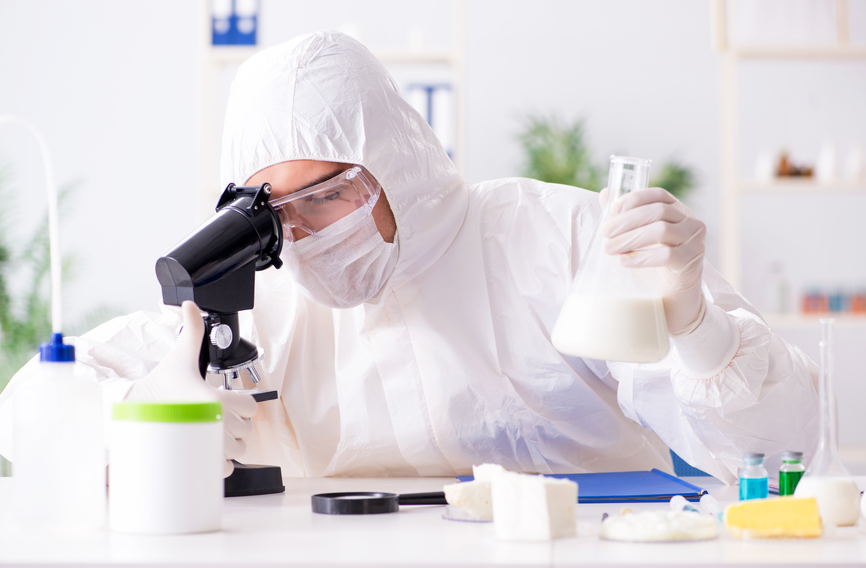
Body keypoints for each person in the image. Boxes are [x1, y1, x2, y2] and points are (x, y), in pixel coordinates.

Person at [0, 31, 818, 482]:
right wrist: (154, 412)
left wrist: (696, 325)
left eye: (327, 195)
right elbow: (30, 409)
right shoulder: (265, 306)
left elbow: (781, 451)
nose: (302, 232)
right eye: (274, 210)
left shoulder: (555, 239)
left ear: (392, 162)